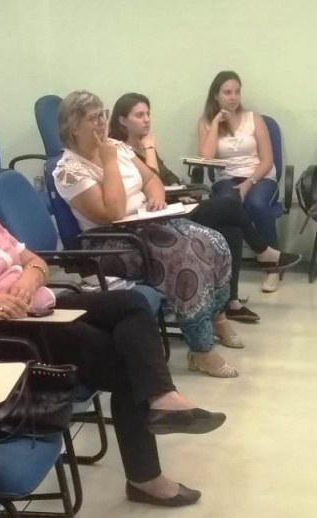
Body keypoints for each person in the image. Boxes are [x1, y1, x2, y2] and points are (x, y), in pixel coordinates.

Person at [0, 139, 226, 507]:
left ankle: (162, 397)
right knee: (124, 364)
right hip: (6, 334)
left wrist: (30, 276)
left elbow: (35, 261)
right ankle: (146, 475)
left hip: (41, 307)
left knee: (131, 303)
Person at [53, 90, 243, 376]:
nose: (101, 124)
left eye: (102, 115)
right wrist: (109, 162)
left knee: (213, 241)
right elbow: (112, 213)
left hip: (147, 223)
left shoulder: (116, 146)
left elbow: (152, 179)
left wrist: (156, 198)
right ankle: (201, 348)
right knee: (185, 259)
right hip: (112, 243)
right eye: (92, 119)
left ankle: (215, 316)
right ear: (73, 127)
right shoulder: (69, 171)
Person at [109, 92, 302, 322]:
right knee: (230, 204)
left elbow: (168, 178)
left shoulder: (143, 146)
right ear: (122, 121)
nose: (147, 120)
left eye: (148, 114)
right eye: (139, 115)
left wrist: (183, 191)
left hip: (173, 207)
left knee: (232, 227)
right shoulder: (120, 152)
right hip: (154, 219)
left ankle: (232, 300)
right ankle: (264, 253)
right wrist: (150, 149)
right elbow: (152, 182)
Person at [198, 70, 299, 293]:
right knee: (228, 207)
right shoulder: (207, 122)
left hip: (260, 175)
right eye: (227, 92)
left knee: (256, 204)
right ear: (216, 95)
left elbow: (267, 160)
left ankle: (272, 267)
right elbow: (205, 158)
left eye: (237, 92)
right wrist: (215, 123)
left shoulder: (254, 118)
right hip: (226, 178)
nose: (233, 97)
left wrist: (248, 183)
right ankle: (229, 272)